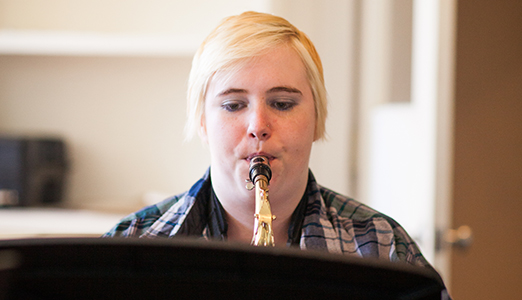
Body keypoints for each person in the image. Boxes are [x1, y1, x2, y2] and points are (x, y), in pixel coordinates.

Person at [104, 11, 449, 298]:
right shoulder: (129, 247)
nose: (258, 126)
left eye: (282, 103)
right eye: (233, 105)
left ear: (317, 119)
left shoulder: (384, 247)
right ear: (202, 123)